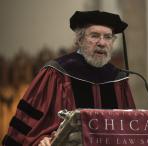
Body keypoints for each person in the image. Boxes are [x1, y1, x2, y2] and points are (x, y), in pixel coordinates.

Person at [2, 10, 136, 146]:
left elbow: (132, 127)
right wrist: (41, 140)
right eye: (94, 36)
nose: (102, 43)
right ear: (79, 39)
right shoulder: (56, 72)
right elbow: (28, 124)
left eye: (107, 37)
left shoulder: (118, 79)